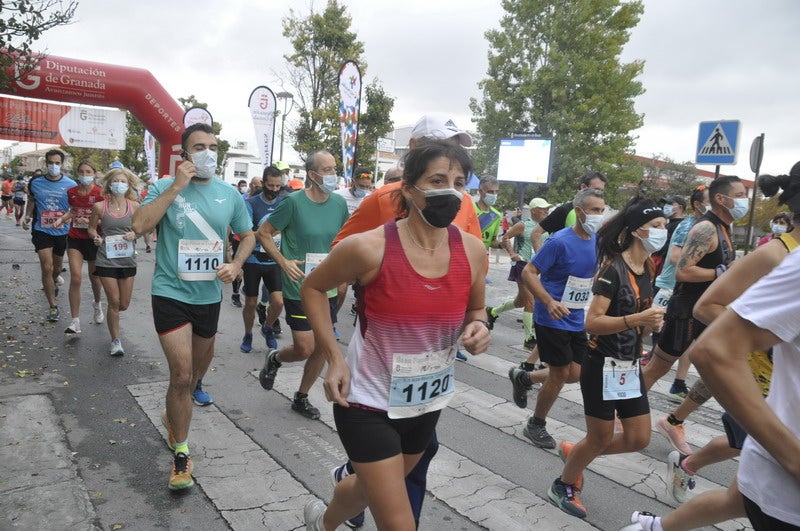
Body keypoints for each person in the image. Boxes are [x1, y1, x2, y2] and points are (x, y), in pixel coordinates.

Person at [301, 138, 491, 531]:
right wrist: (334, 358)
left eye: (458, 183)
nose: (451, 192)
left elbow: (476, 309)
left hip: (425, 402)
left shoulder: (473, 251)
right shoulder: (368, 248)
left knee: (367, 489)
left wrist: (479, 326)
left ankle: (322, 522)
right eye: (437, 181)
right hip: (366, 402)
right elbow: (313, 288)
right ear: (408, 189)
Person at [131, 122, 255, 491]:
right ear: (185, 154)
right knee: (182, 376)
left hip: (208, 297)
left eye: (213, 147)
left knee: (195, 375)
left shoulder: (229, 194)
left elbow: (247, 235)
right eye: (199, 147)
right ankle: (182, 454)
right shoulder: (163, 187)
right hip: (170, 292)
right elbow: (139, 225)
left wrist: (236, 264)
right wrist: (175, 188)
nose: (208, 153)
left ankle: (174, 415)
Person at [549, 198, 666, 518]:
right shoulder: (612, 270)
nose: (663, 231)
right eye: (656, 226)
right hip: (602, 364)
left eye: (664, 225)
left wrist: (651, 324)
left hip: (629, 365)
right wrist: (638, 319)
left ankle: (577, 453)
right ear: (637, 231)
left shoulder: (648, 267)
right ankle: (564, 484)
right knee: (599, 438)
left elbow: (640, 319)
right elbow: (592, 322)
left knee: (639, 438)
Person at [643, 176, 746, 456]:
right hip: (687, 310)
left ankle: (674, 421)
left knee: (719, 369)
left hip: (711, 310)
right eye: (740, 195)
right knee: (657, 368)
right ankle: (620, 413)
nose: (745, 200)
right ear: (722, 199)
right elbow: (683, 271)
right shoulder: (705, 228)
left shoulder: (724, 228)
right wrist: (720, 272)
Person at [255, 150, 349, 420]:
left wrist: (346, 272)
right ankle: (275, 358)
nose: (333, 175)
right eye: (328, 170)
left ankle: (301, 397)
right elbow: (264, 233)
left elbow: (343, 239)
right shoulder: (293, 203)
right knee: (304, 347)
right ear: (312, 175)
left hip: (328, 286)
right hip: (300, 286)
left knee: (322, 346)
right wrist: (283, 261)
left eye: (334, 169)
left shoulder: (339, 204)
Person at [513, 188, 605, 449]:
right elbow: (529, 272)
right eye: (594, 210)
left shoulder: (598, 241)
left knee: (576, 373)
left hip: (575, 316)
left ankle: (525, 378)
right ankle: (536, 424)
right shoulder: (559, 241)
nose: (599, 215)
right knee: (559, 373)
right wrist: (548, 301)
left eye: (602, 210)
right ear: (579, 212)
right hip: (550, 316)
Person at [644, 187, 709, 403]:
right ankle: (626, 365)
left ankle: (679, 382)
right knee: (648, 328)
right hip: (669, 287)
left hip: (688, 292)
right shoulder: (689, 226)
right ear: (697, 204)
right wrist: (712, 268)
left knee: (688, 340)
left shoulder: (710, 226)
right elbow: (674, 257)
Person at [87, 168, 141, 356]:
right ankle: (115, 341)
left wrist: (135, 234)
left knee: (123, 304)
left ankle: (113, 323)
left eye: (123, 181)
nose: (119, 184)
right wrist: (95, 237)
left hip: (127, 260)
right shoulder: (99, 207)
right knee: (114, 301)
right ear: (109, 183)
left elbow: (142, 228)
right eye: (116, 181)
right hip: (106, 260)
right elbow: (91, 229)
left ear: (129, 185)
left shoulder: (134, 206)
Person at [488, 197, 551, 349]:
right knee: (530, 302)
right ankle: (528, 339)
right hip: (522, 265)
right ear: (534, 210)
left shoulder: (546, 226)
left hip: (537, 267)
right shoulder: (523, 225)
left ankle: (493, 312)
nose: (547, 211)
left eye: (547, 208)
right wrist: (512, 254)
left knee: (521, 301)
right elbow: (505, 238)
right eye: (543, 208)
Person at [21, 149, 76, 322]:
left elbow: (74, 208)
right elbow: (31, 200)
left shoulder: (71, 184)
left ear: (62, 164)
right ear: (45, 163)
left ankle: (52, 281)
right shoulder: (35, 182)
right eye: (50, 163)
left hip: (62, 231)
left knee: (56, 269)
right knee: (47, 267)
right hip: (42, 229)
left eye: (57, 163)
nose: (53, 166)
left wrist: (69, 218)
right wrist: (27, 216)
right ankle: (53, 306)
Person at [54, 160, 105, 335]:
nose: (84, 175)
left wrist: (91, 221)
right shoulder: (72, 192)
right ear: (77, 173)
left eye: (88, 172)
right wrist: (62, 219)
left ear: (94, 173)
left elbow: (106, 218)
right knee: (75, 277)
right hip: (75, 238)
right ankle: (75, 321)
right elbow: (73, 211)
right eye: (81, 172)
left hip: (93, 239)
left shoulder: (101, 193)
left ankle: (97, 304)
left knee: (94, 278)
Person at [239, 165, 286, 353]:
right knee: (251, 302)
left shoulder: (283, 203)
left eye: (278, 186)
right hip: (254, 259)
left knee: (278, 302)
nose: (274, 189)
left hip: (274, 259)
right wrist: (266, 233)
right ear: (263, 183)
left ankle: (268, 327)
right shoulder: (251, 203)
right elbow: (247, 234)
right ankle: (248, 334)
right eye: (271, 185)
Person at [530, 170, 607, 252]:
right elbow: (536, 233)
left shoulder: (599, 215)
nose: (599, 194)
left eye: (602, 191)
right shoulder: (565, 210)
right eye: (596, 190)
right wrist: (542, 257)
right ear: (583, 187)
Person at [474, 176, 502, 250]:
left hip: (483, 256)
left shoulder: (497, 215)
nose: (494, 195)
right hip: (466, 255)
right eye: (490, 192)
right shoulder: (470, 209)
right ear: (480, 191)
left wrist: (501, 244)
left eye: (496, 192)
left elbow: (492, 241)